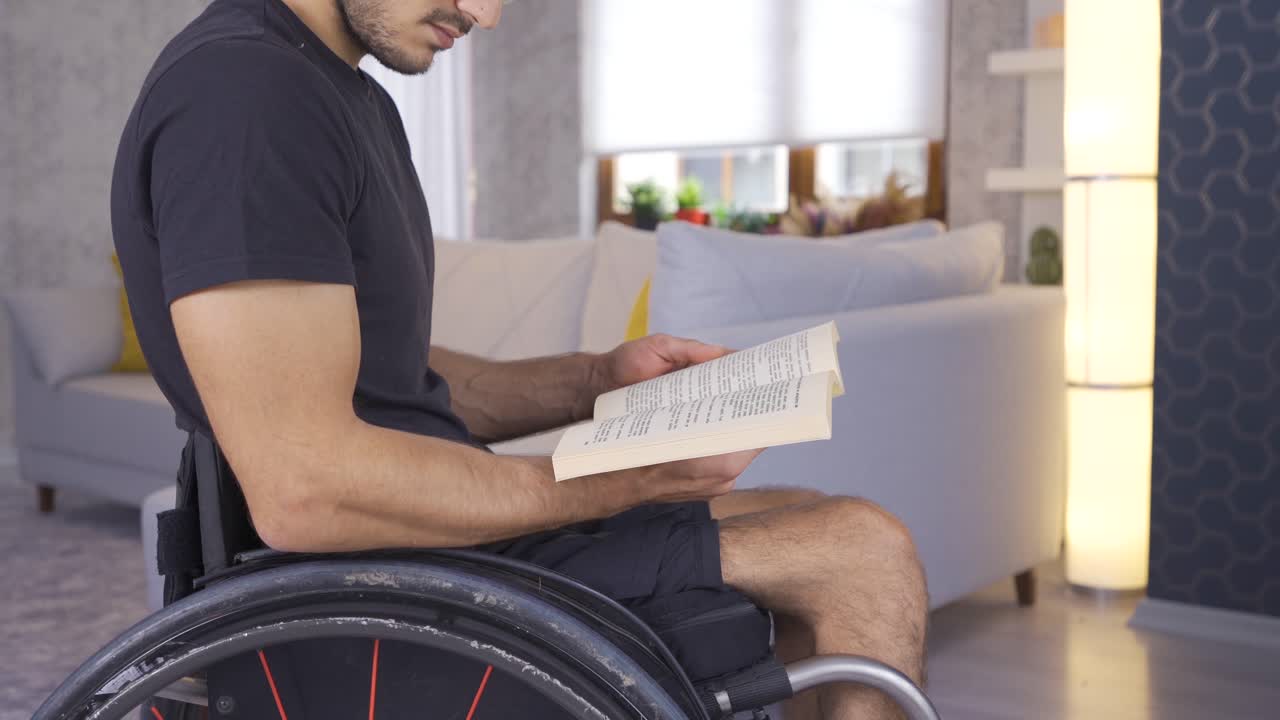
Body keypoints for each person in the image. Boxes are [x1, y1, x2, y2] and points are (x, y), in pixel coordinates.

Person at [110, 1, 928, 717]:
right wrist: (627, 476)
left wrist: (595, 383)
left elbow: (380, 377)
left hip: (418, 554)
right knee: (860, 551)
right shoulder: (247, 97)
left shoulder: (340, 92)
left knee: (805, 513)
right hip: (370, 586)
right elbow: (306, 491)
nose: (485, 13)